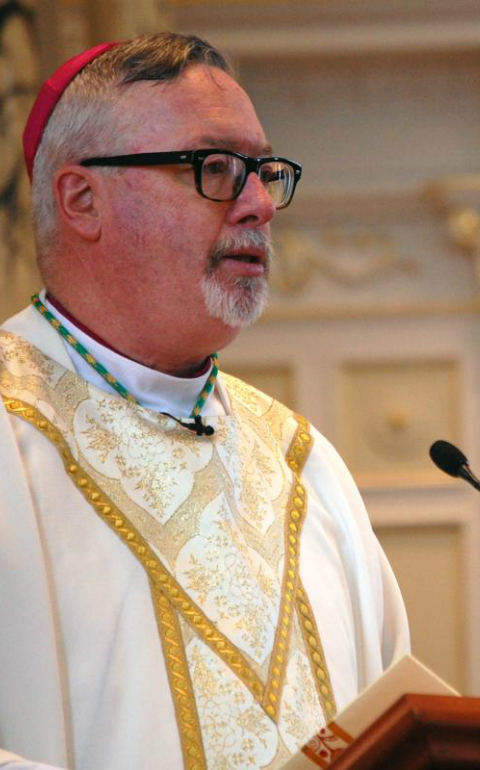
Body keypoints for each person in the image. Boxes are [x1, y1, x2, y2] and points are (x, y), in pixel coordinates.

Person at [0, 32, 409, 770]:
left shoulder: (303, 466)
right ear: (82, 197)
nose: (259, 204)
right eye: (214, 168)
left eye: (265, 172)